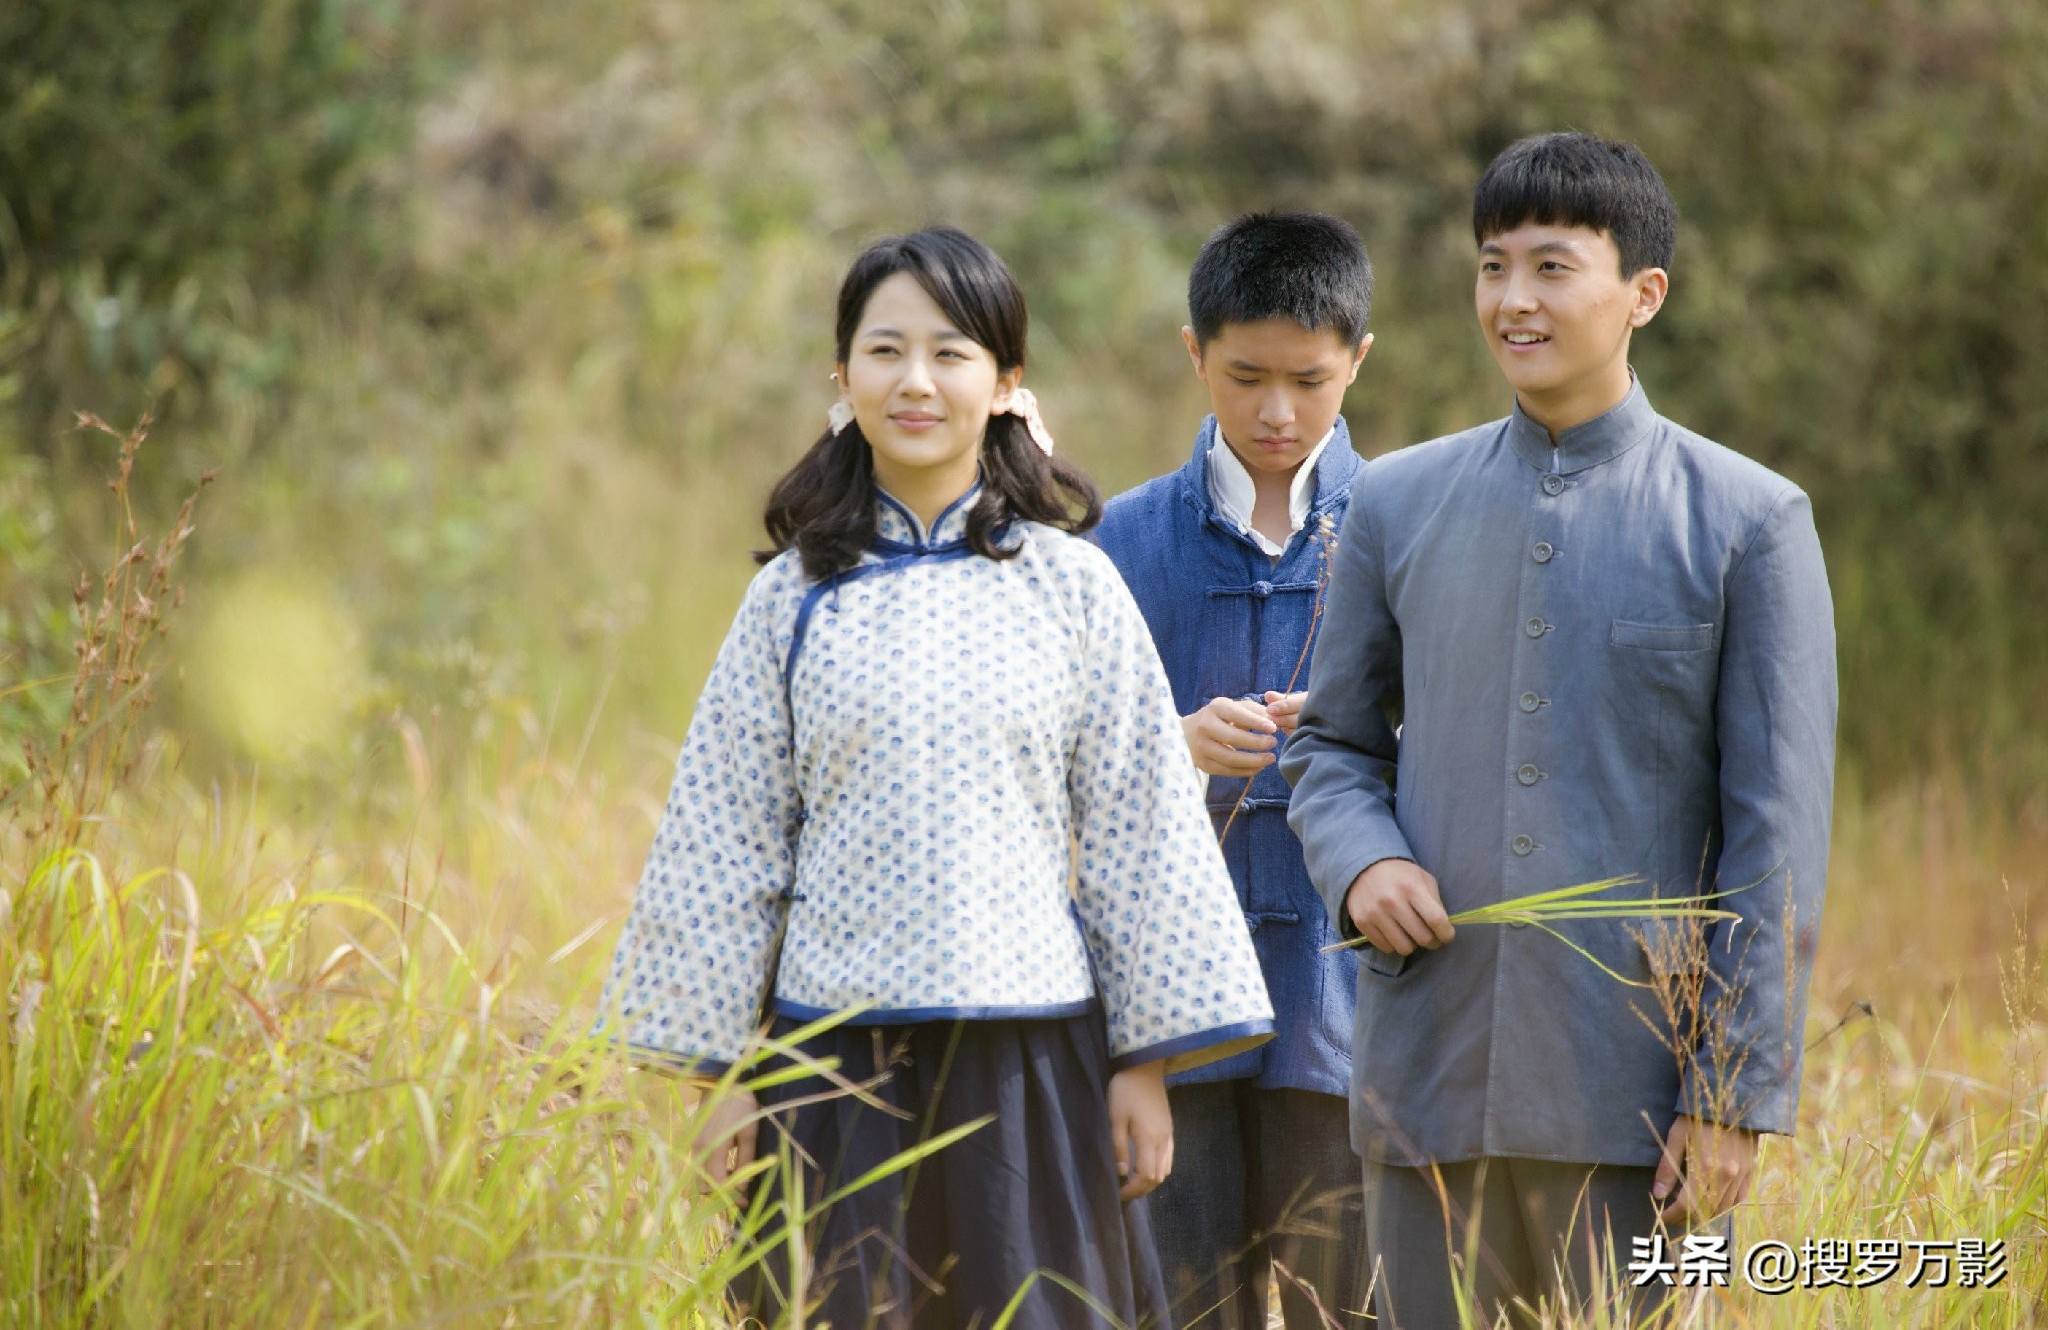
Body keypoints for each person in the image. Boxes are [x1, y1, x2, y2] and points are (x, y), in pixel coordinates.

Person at [597, 225, 1275, 1329]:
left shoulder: (1072, 587)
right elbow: (726, 831)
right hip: (829, 1070)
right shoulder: (791, 598)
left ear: (1006, 383)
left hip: (1033, 1064)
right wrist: (719, 1079)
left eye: (951, 353)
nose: (915, 382)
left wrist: (1144, 1066)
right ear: (842, 376)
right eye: (885, 351)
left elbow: (1139, 824)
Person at [1284, 133, 1837, 1326]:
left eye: (1550, 266)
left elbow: (1774, 842)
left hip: (1640, 1096)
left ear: (1642, 294)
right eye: (1491, 267)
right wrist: (1361, 860)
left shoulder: (1749, 520)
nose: (1513, 301)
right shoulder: (1392, 500)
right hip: (1424, 1074)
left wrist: (1731, 1093)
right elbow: (1328, 747)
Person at [1094, 211, 1375, 1328]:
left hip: (1342, 1004)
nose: (1275, 412)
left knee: (1340, 1306)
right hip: (1168, 1025)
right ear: (1192, 353)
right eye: (1243, 375)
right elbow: (1059, 765)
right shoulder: (1114, 542)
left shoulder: (1408, 528)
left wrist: (1355, 732)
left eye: (1309, 381)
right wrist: (1170, 740)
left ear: (1359, 359)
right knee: (1176, 1308)